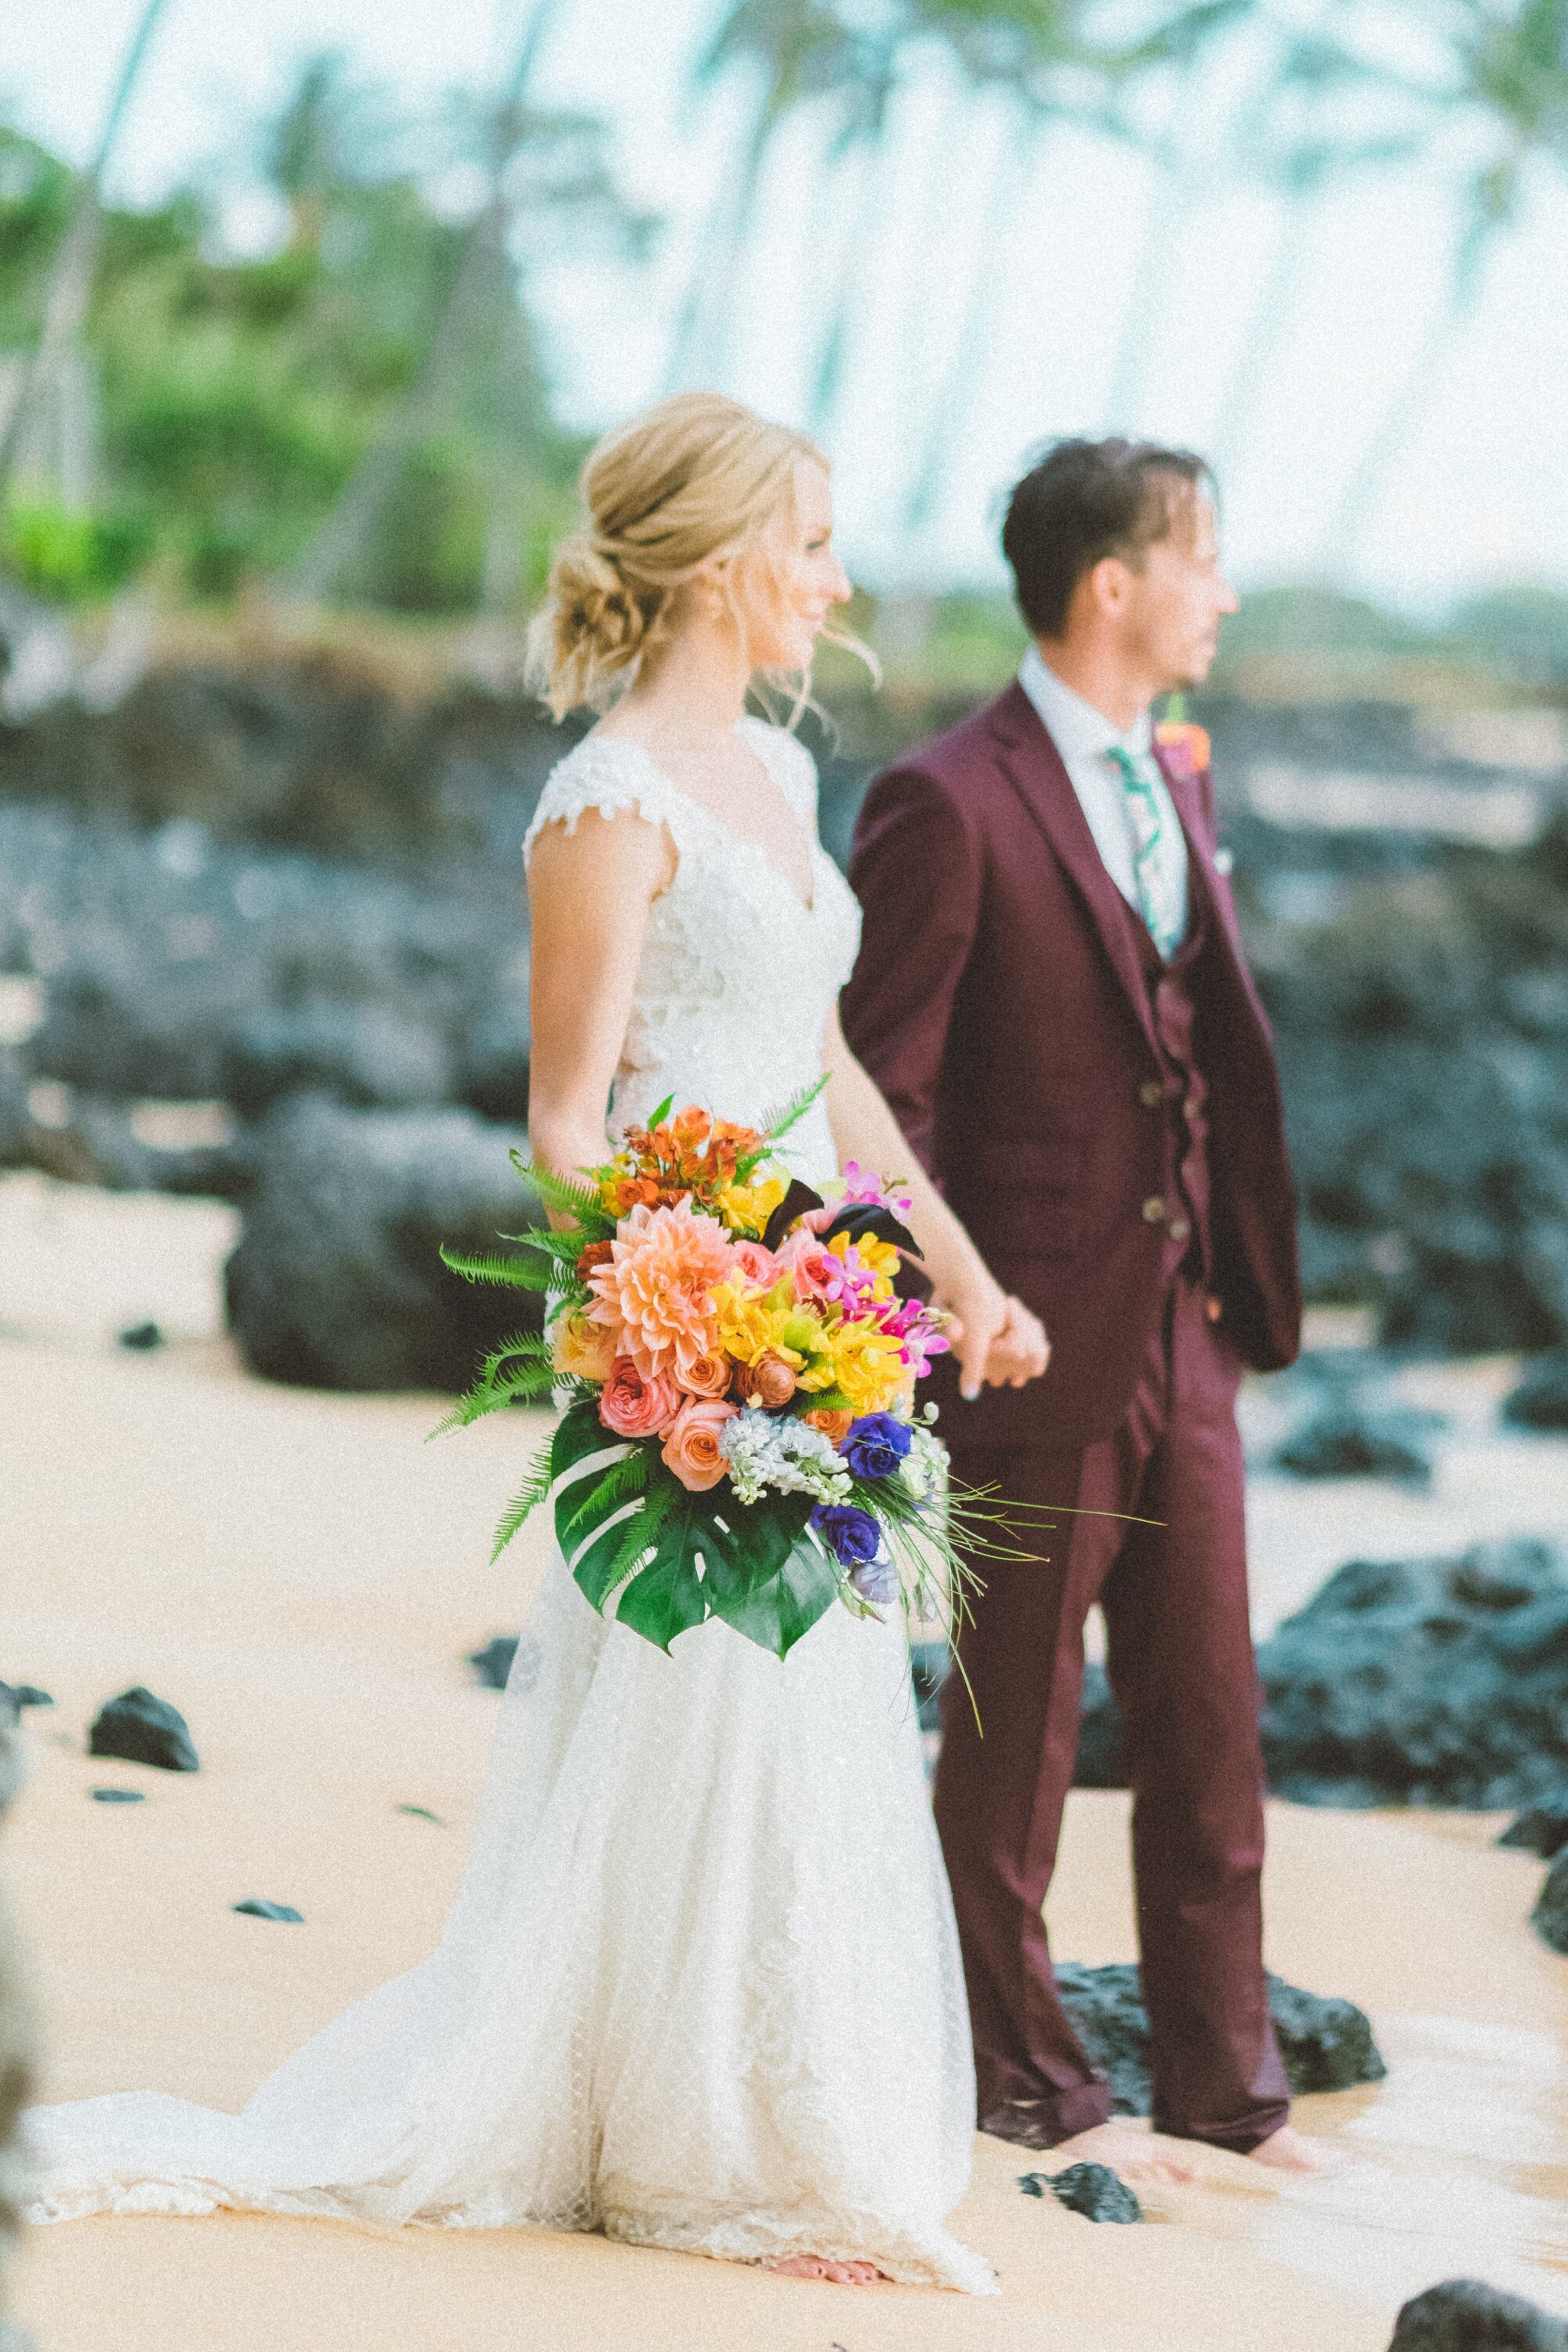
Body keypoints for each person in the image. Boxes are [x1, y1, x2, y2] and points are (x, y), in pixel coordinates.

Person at [24, 393, 1047, 2292]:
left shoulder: (785, 781)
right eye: (813, 542)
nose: (836, 580)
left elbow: (832, 1082)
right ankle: (671, 2144)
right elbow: (572, 1115)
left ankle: (767, 2126)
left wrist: (953, 1283)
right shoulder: (604, 802)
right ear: (735, 556)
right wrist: (693, 1327)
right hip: (699, 1337)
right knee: (689, 1704)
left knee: (808, 1711)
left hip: (818, 1326)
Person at [841, 435, 1327, 2183]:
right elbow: (878, 1090)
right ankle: (1013, 2072)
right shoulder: (945, 799)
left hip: (1185, 1318)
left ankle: (1226, 2085)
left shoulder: (1168, 776)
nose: (1227, 590)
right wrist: (943, 1306)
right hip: (1027, 1329)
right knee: (1012, 1735)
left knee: (1210, 1723)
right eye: (1203, 557)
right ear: (1111, 585)